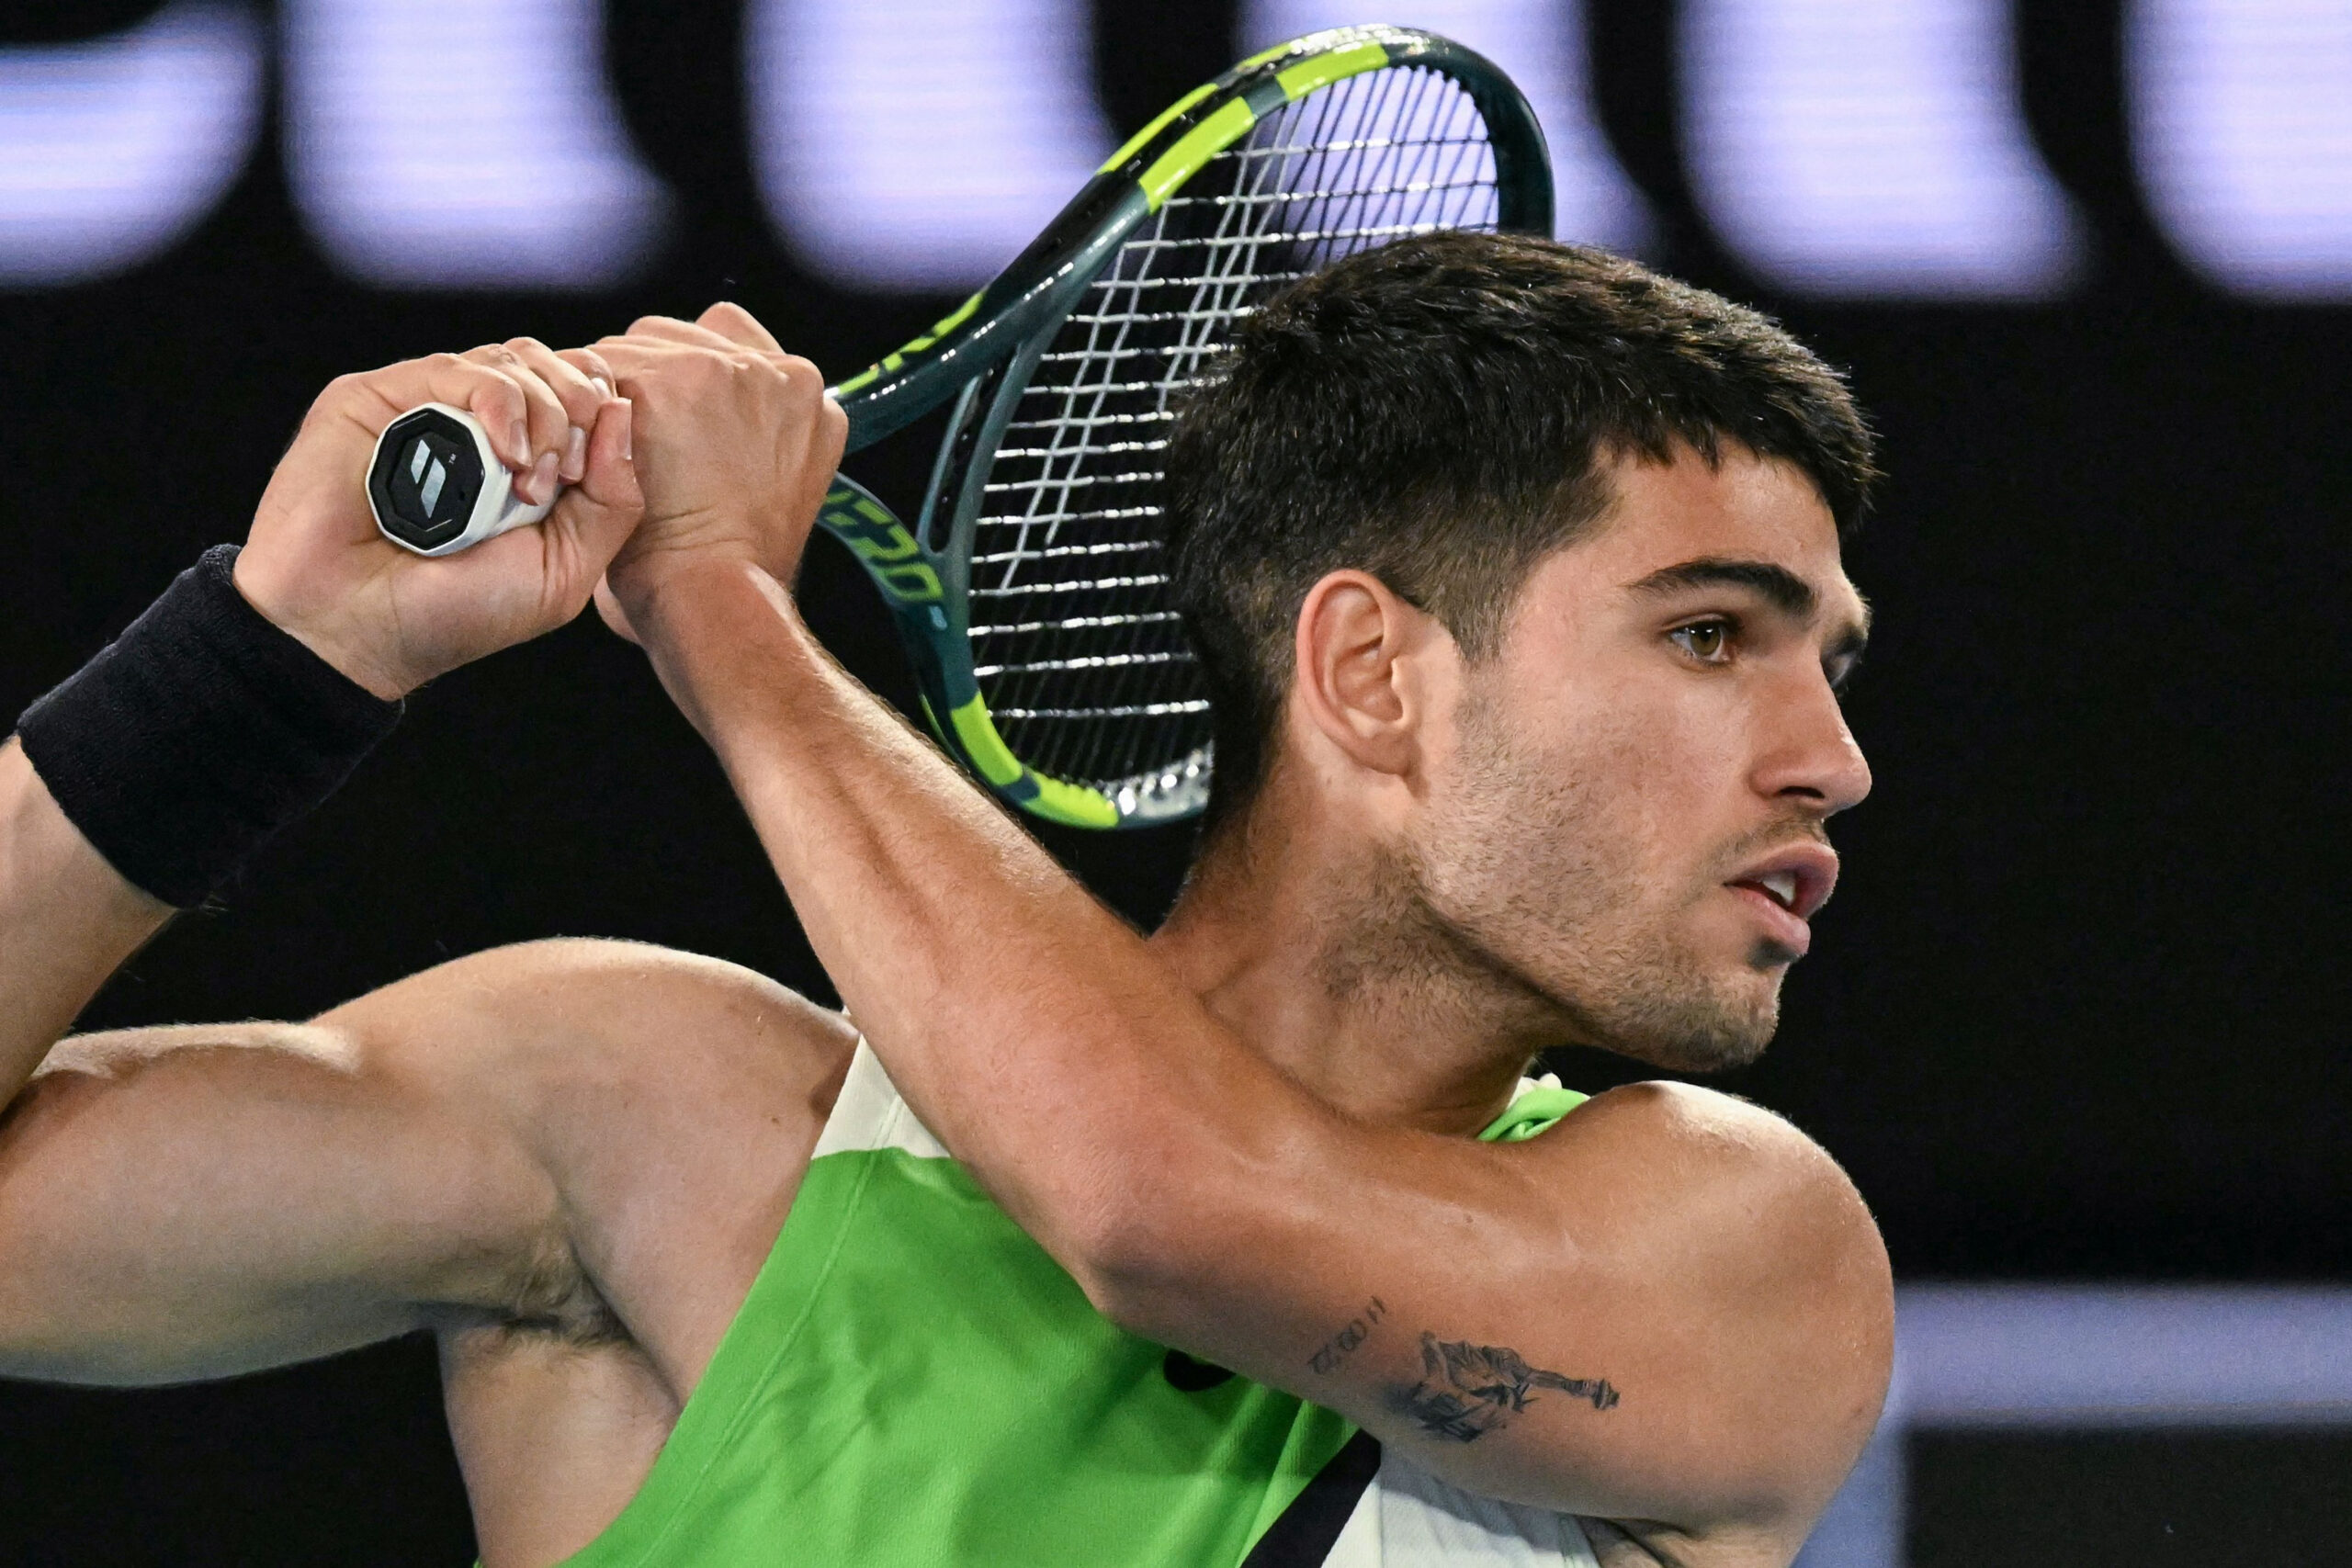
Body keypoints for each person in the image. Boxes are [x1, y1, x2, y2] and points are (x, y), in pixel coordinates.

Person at [0, 232, 1891, 1568]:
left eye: (1830, 660)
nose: (1828, 754)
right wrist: (267, 657)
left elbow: (1168, 1209)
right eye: (1710, 632)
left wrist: (723, 604)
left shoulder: (1743, 1254)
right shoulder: (649, 1114)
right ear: (1373, 676)